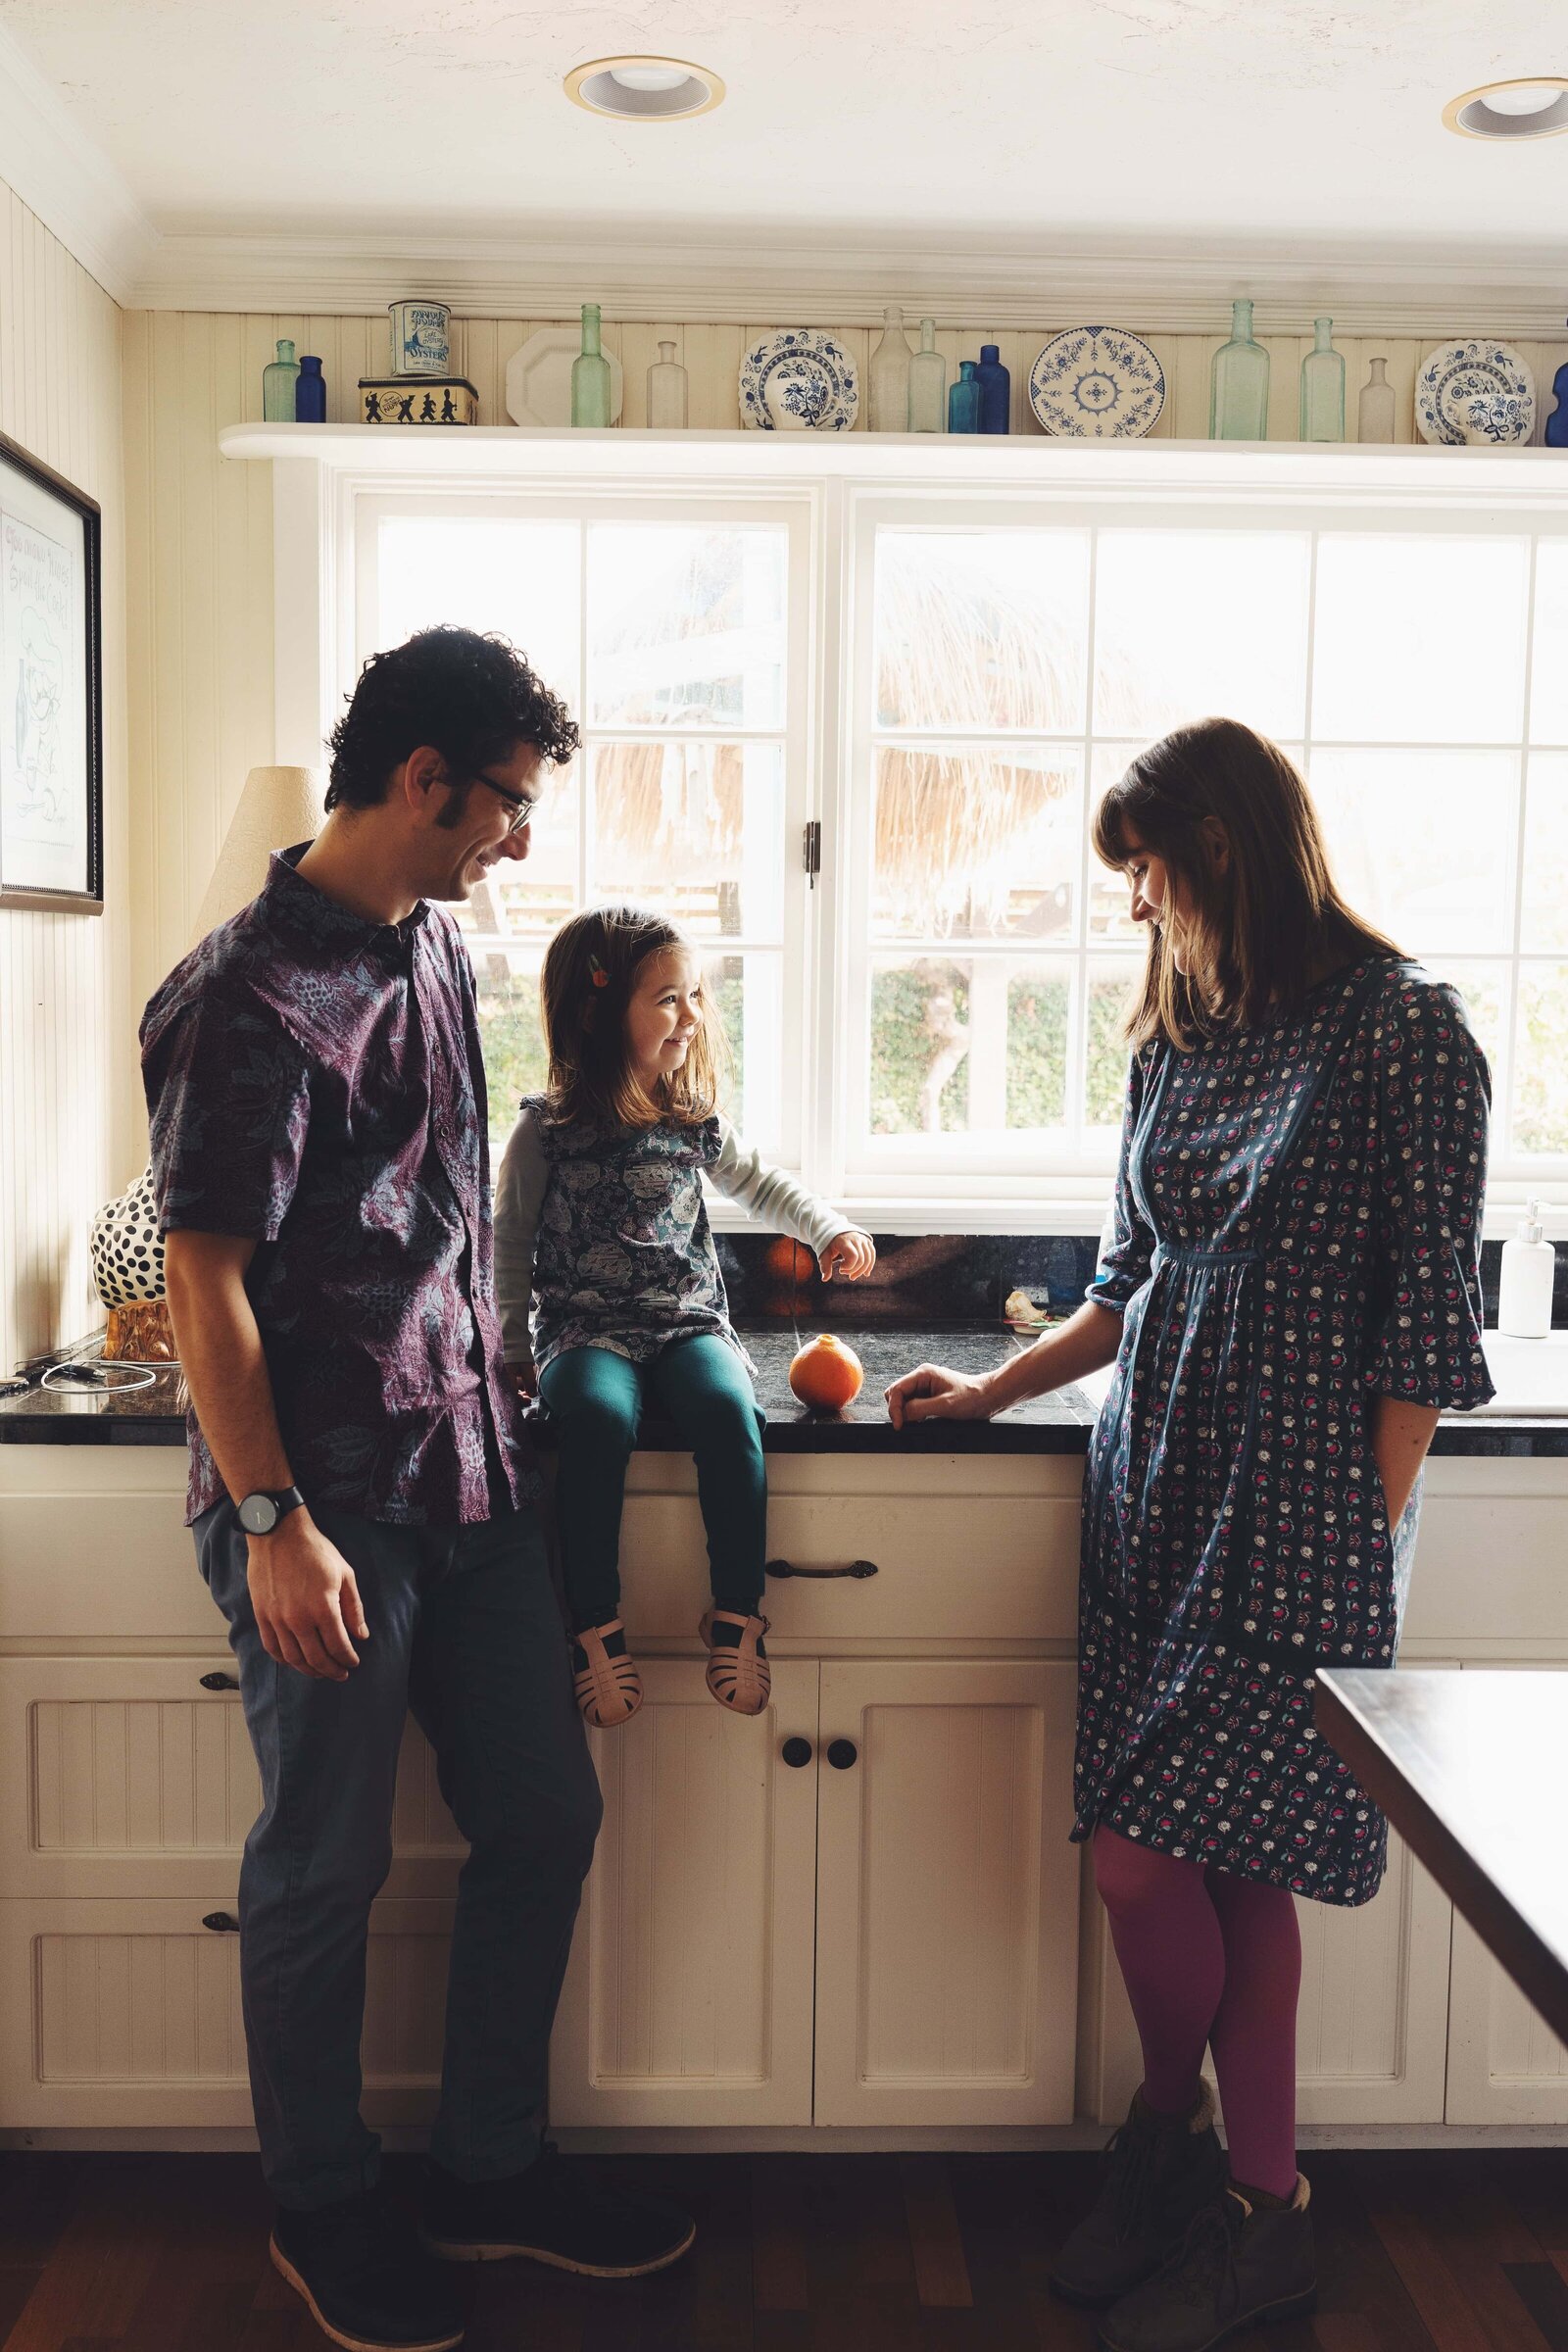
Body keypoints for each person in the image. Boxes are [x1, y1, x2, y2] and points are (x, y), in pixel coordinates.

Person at [885, 717, 1493, 2352]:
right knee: (1205, 1871)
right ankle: (1235, 2190)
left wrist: (1354, 1552)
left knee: (1156, 1863)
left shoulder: (1409, 1039)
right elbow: (1124, 1284)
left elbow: (1429, 1339)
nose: (1133, 910)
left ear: (1218, 852)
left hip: (1304, 1522)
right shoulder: (1177, 1042)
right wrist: (989, 1388)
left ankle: (1197, 2155)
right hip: (1153, 1494)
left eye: (1145, 874)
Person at [142, 629, 695, 2352]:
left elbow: (452, 1219)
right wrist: (267, 1522)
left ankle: (486, 2164)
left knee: (544, 1813)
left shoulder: (439, 945)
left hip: (476, 1479)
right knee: (322, 1862)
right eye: (506, 806)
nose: (516, 840)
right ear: (420, 780)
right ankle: (321, 2201)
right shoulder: (236, 998)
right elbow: (206, 1280)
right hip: (325, 1509)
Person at [495, 904, 875, 1727]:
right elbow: (509, 1239)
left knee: (727, 1409)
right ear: (597, 1014)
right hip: (584, 1331)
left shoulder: (691, 1118)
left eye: (695, 994)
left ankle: (737, 1614)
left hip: (687, 1322)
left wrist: (829, 1227)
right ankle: (594, 1625)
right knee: (594, 1421)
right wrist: (509, 1338)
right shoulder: (546, 1132)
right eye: (669, 997)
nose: (692, 1015)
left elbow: (764, 1186)